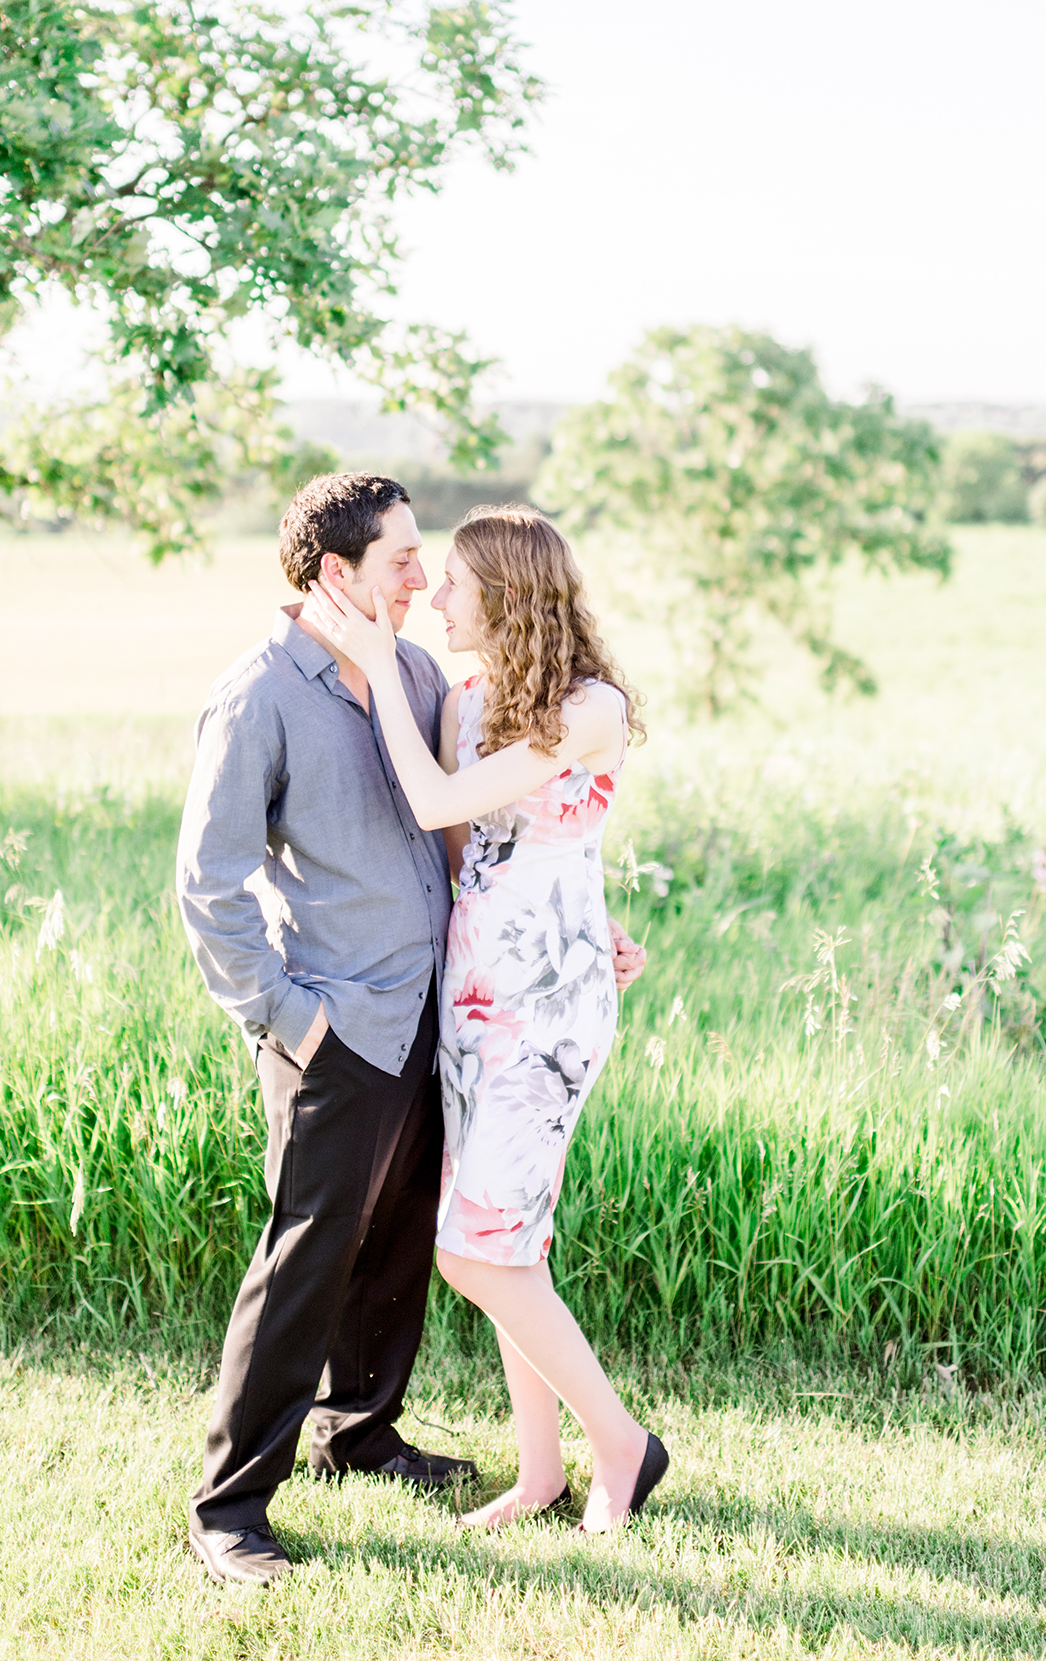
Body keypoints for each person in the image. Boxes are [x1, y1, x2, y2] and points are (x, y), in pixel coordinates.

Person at [176, 474, 646, 1585]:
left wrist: (585, 920)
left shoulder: (424, 673)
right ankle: (232, 1504)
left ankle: (361, 1431)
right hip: (337, 1022)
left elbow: (480, 841)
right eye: (401, 560)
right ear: (337, 574)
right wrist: (290, 1016)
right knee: (307, 1255)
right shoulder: (260, 695)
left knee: (396, 1247)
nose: (424, 579)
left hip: (451, 1008)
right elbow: (209, 884)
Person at [304, 503, 669, 1534]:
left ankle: (623, 1447)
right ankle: (542, 1473)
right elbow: (472, 855)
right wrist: (599, 921)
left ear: (506, 593)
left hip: (552, 1003)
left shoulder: (587, 707)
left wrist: (377, 671)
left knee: (474, 1253)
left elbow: (442, 807)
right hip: (476, 990)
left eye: (455, 582)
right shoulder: (464, 704)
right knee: (514, 1243)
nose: (435, 597)